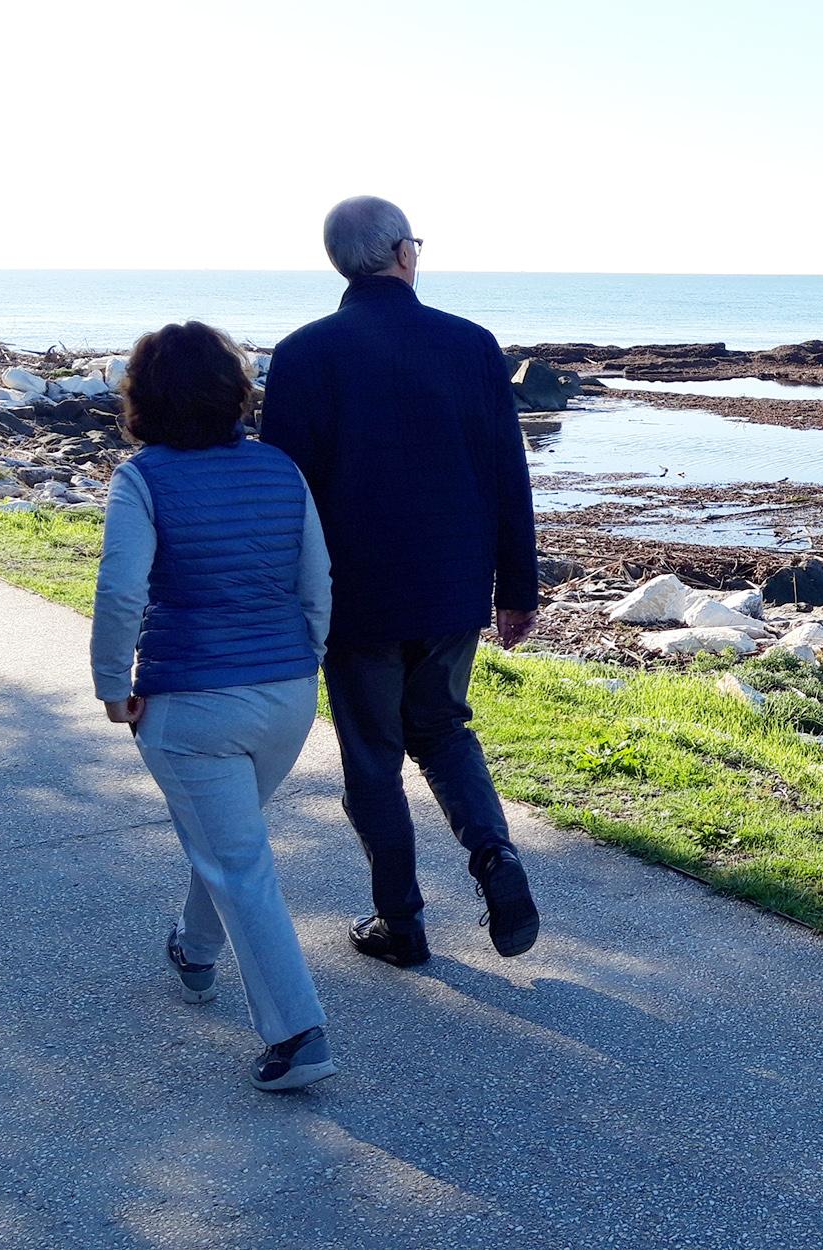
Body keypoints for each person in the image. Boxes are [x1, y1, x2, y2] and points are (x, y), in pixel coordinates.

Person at [261, 196, 542, 969]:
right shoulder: (471, 345)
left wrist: (281, 601)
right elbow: (505, 475)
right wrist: (518, 587)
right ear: (400, 252)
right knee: (444, 729)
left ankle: (402, 922)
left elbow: (286, 495)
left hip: (354, 597)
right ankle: (495, 859)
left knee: (374, 757)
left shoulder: (303, 354)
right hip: (451, 585)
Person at [91, 321, 338, 1091]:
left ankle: (298, 1035)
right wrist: (308, 661)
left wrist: (110, 682)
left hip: (193, 705)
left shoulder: (143, 479)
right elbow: (317, 582)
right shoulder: (279, 469)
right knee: (228, 845)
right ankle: (194, 952)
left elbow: (122, 588)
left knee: (239, 860)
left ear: (145, 398)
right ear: (233, 391)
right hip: (288, 698)